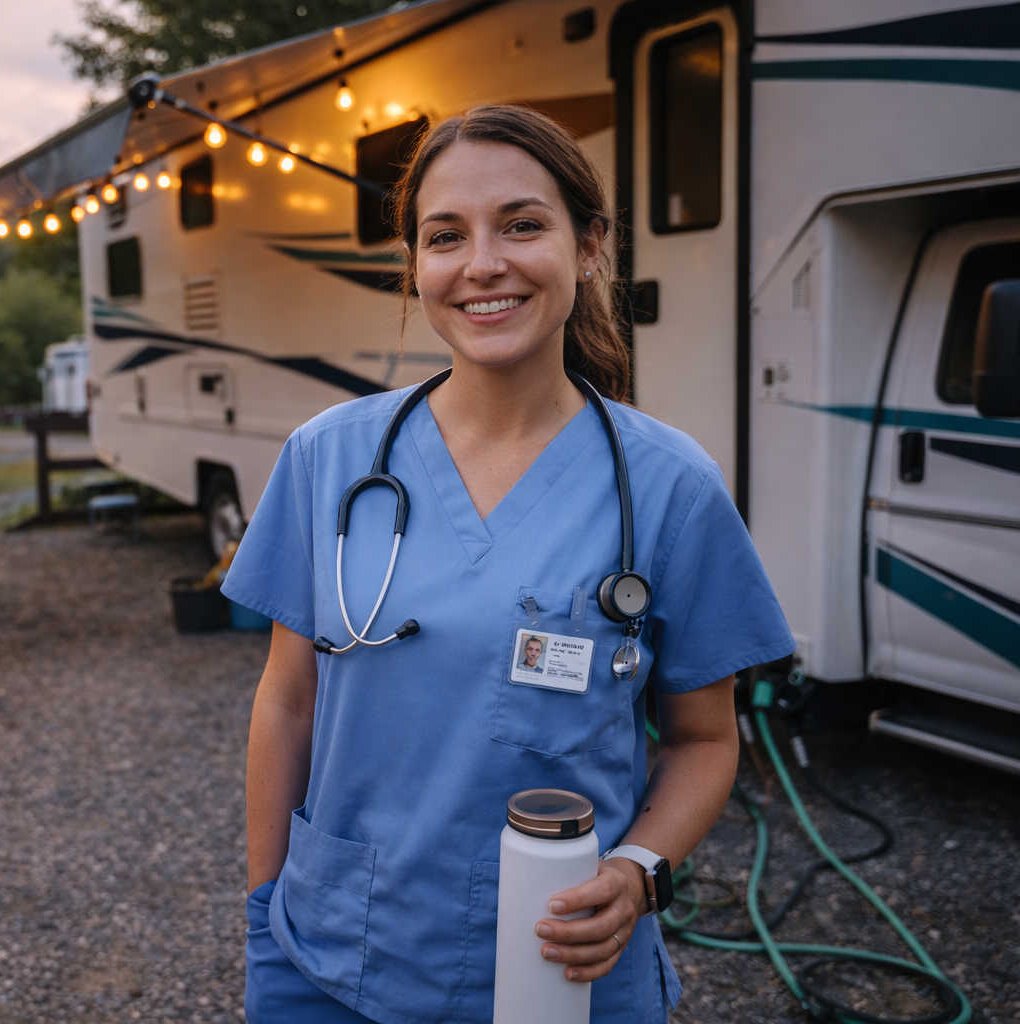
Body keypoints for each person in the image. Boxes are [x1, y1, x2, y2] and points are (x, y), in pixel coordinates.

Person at [222, 105, 795, 1024]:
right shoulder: (328, 459)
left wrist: (638, 872)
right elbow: (288, 701)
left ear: (591, 246)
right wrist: (264, 911)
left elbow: (703, 739)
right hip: (331, 955)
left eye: (522, 225)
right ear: (415, 267)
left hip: (566, 972)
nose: (482, 263)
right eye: (446, 236)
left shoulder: (671, 486)